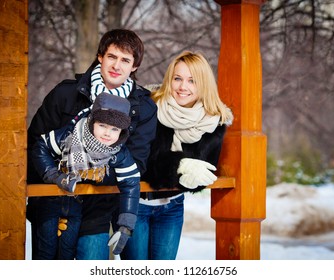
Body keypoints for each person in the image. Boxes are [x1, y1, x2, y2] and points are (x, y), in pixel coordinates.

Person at [27, 29, 157, 260]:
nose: (117, 65)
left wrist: (90, 173)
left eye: (125, 60)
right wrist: (51, 181)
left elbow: (136, 164)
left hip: (99, 206)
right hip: (55, 200)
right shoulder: (66, 93)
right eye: (112, 57)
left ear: (134, 66)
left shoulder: (144, 108)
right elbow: (36, 141)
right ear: (100, 56)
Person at [120, 50, 234, 260]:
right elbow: (142, 164)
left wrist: (191, 174)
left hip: (172, 208)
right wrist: (180, 166)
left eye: (192, 81)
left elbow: (202, 174)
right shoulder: (149, 108)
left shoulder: (213, 122)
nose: (183, 87)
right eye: (178, 79)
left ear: (203, 84)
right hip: (136, 204)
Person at [30, 93, 140, 259]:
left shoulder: (119, 153)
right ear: (92, 121)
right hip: (50, 201)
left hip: (76, 206)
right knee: (46, 252)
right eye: (102, 125)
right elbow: (41, 147)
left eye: (115, 129)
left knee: (66, 254)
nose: (107, 133)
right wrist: (54, 175)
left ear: (122, 131)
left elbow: (131, 183)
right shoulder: (70, 135)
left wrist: (126, 225)